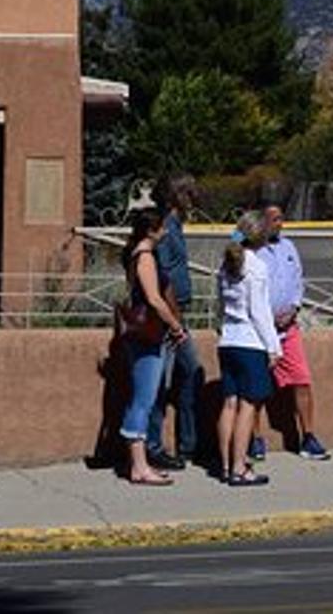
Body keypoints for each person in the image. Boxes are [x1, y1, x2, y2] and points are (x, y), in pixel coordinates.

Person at [253, 203, 331, 462]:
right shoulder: (249, 248)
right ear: (261, 220)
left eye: (280, 219)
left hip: (289, 329)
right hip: (259, 331)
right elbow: (232, 251)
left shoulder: (289, 248)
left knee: (301, 380)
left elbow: (298, 281)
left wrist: (294, 308)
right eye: (273, 219)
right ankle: (253, 438)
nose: (278, 223)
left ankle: (308, 437)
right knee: (256, 387)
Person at [117, 206, 187, 485]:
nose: (166, 231)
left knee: (142, 398)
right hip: (148, 335)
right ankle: (139, 466)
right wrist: (175, 325)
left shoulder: (138, 254)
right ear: (151, 230)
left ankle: (139, 462)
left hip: (144, 335)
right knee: (143, 400)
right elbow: (154, 299)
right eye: (161, 227)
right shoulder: (144, 256)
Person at [214, 210, 282, 486]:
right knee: (248, 406)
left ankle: (226, 464)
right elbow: (259, 311)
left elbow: (220, 303)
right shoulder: (256, 266)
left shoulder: (226, 264)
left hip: (228, 339)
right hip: (250, 342)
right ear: (261, 236)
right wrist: (273, 347)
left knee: (229, 403)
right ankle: (240, 467)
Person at [147, 174, 204, 472]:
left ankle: (188, 445)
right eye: (190, 194)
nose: (195, 200)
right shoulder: (167, 229)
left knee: (189, 373)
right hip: (170, 317)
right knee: (161, 381)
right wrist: (175, 323)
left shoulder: (176, 227)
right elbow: (164, 277)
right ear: (178, 197)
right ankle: (154, 446)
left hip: (178, 313)